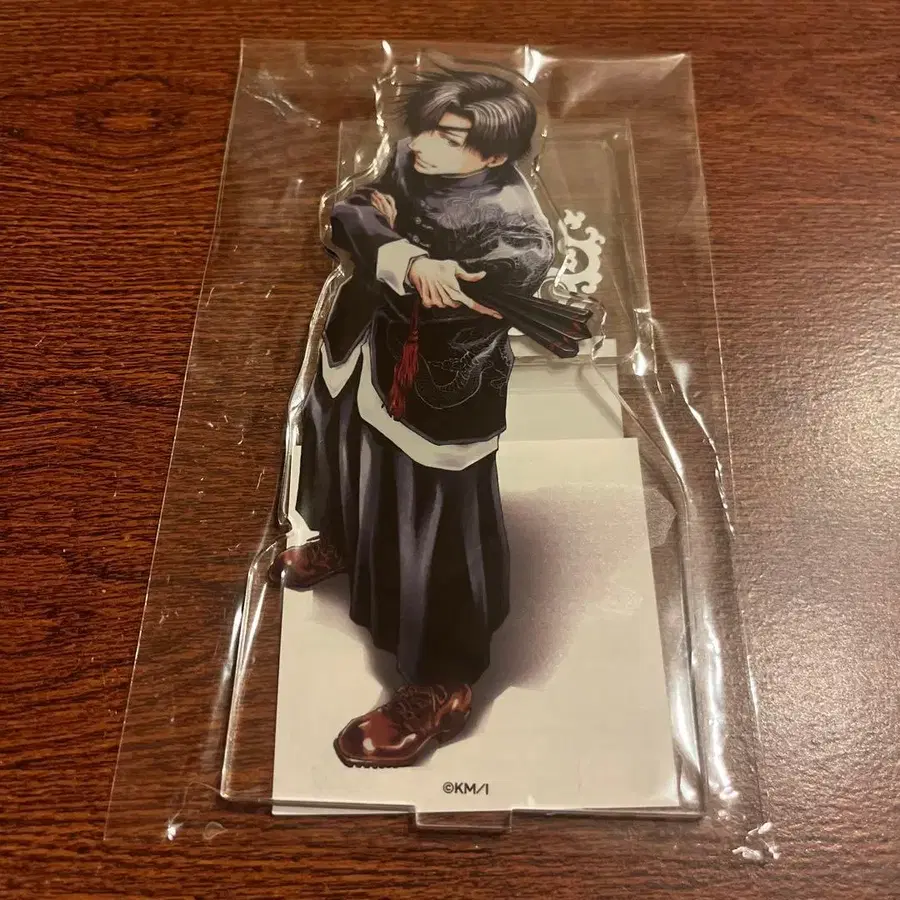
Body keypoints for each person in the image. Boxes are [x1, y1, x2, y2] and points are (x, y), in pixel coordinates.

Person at [270, 69, 555, 767]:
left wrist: (422, 271)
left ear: (494, 153)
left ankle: (441, 681)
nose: (423, 143)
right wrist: (404, 255)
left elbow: (486, 298)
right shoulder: (409, 160)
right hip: (360, 350)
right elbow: (348, 210)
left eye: (448, 136)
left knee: (434, 517)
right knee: (341, 450)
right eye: (424, 126)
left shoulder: (520, 229)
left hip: (435, 388)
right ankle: (344, 542)